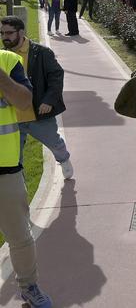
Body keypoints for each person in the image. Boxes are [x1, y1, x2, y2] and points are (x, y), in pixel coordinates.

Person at [0, 48, 53, 308]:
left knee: (19, 235)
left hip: (4, 168)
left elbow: (23, 101)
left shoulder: (8, 61)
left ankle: (29, 286)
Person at [1, 16, 73, 180]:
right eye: (2, 33)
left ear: (21, 32)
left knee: (55, 143)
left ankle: (64, 160)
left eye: (9, 33)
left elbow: (56, 76)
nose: (5, 37)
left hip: (38, 114)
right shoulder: (3, 56)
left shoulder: (41, 53)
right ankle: (19, 186)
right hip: (13, 119)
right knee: (14, 159)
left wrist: (48, 100)